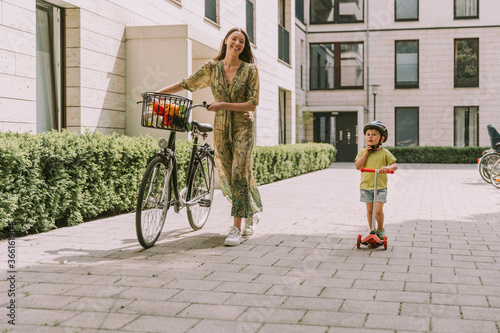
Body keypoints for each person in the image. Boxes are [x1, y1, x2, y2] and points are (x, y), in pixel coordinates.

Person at [156, 27, 262, 246]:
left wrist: (223, 104)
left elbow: (252, 103)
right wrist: (159, 92)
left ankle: (236, 228)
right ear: (225, 41)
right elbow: (187, 83)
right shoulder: (211, 68)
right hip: (222, 127)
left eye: (242, 41)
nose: (237, 43)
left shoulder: (251, 70)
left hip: (243, 126)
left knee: (240, 173)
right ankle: (250, 210)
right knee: (228, 173)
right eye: (234, 39)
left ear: (244, 46)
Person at [354, 121, 397, 239]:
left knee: (378, 211)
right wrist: (366, 153)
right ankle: (372, 231)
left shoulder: (385, 152)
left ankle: (380, 229)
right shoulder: (363, 152)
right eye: (368, 134)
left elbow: (394, 165)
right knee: (369, 211)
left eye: (374, 134)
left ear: (381, 139)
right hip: (366, 186)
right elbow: (358, 166)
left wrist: (387, 167)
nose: (370, 137)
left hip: (380, 187)